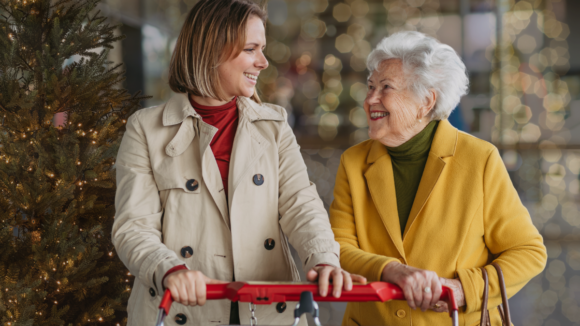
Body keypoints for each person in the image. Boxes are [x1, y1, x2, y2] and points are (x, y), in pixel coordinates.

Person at [112, 1, 365, 325]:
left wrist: (324, 259)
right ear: (211, 51)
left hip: (269, 310)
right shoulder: (146, 129)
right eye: (251, 49)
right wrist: (169, 269)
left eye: (262, 49)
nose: (262, 62)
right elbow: (134, 226)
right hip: (182, 310)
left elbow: (301, 204)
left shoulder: (273, 125)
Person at [329, 31, 547, 325]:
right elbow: (337, 247)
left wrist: (464, 290)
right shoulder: (353, 162)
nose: (370, 99)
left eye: (385, 87)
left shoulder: (479, 159)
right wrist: (390, 270)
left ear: (426, 101)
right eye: (370, 86)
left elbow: (528, 251)